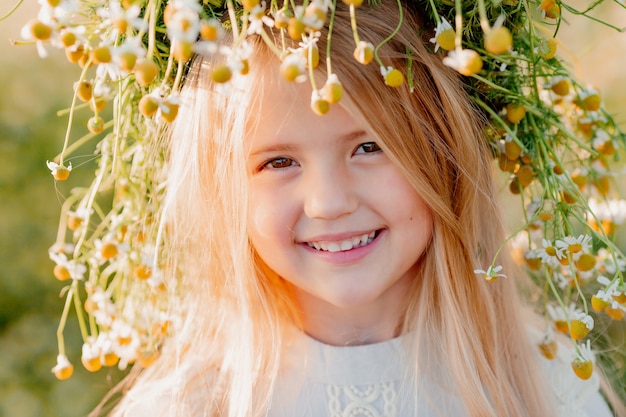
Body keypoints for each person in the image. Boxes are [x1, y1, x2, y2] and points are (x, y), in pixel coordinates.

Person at [85, 2, 623, 416]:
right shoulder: (188, 405)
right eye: (277, 162)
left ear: (446, 154)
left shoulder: (541, 382)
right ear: (222, 191)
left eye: (370, 147)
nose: (329, 202)